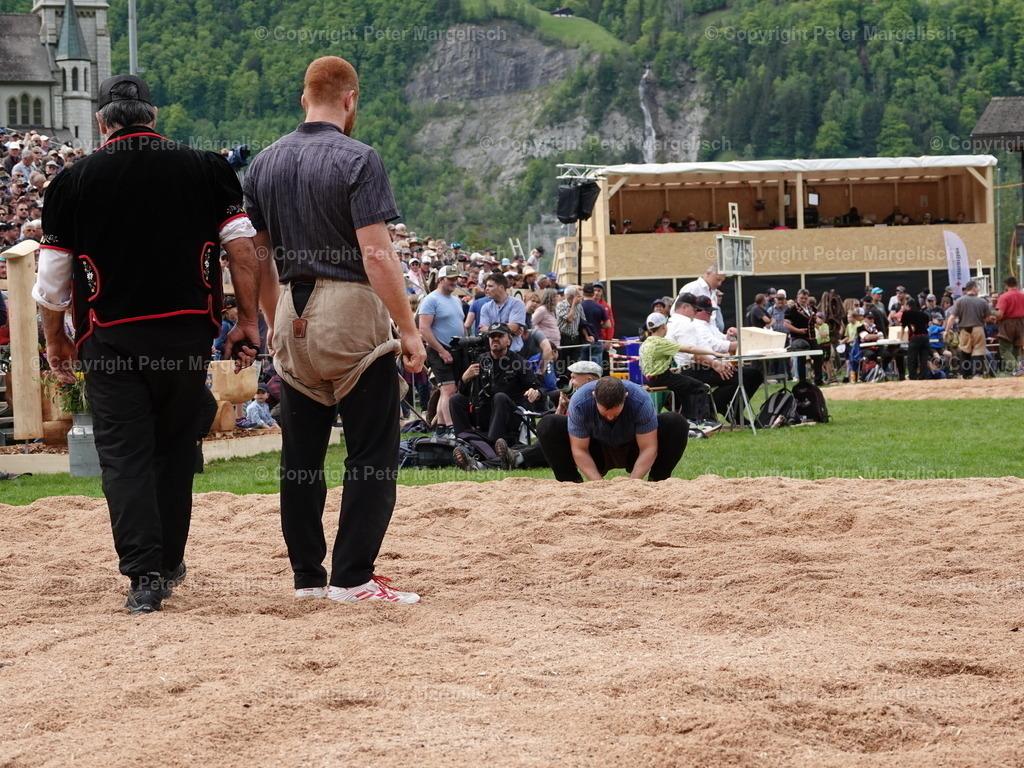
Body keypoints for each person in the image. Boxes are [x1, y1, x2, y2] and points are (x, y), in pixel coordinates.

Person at [33, 74, 260, 615]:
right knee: (175, 446)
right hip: (184, 334)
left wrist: (56, 347)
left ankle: (143, 577)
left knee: (124, 454)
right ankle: (168, 561)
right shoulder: (207, 167)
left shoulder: (73, 181)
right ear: (153, 118)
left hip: (108, 338)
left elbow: (51, 281)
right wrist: (248, 320)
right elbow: (244, 252)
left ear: (101, 121)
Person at [244, 56, 426, 605]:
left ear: (305, 98)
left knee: (300, 456)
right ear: (350, 100)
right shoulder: (358, 159)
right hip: (348, 310)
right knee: (370, 450)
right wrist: (408, 328)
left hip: (288, 312)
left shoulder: (263, 163)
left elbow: (260, 255)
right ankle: (353, 578)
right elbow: (376, 254)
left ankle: (307, 578)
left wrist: (273, 319)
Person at [537, 376, 688, 482]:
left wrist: (633, 484)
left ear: (626, 396)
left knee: (676, 422)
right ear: (594, 396)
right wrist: (598, 484)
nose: (610, 417)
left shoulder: (640, 400)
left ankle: (657, 482)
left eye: (615, 413)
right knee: (548, 424)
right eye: (605, 413)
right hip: (596, 449)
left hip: (631, 447)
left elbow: (648, 447)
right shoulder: (580, 402)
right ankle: (572, 485)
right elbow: (579, 449)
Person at [448, 322, 542, 450]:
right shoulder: (480, 360)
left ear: (509, 340)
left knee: (500, 397)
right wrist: (464, 379)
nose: (495, 339)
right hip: (484, 412)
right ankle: (463, 442)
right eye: (492, 336)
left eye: (499, 336)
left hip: (509, 416)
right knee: (455, 400)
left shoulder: (519, 362)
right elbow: (464, 393)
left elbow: (538, 388)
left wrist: (535, 392)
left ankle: (492, 446)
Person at [638, 311, 722, 431]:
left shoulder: (645, 343)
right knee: (699, 386)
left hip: (651, 379)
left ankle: (689, 419)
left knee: (685, 388)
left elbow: (647, 364)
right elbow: (690, 349)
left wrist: (668, 368)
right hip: (662, 377)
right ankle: (704, 421)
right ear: (663, 326)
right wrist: (713, 352)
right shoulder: (661, 342)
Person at [417, 265, 465, 437]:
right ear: (440, 280)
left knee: (448, 390)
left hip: (456, 349)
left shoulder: (456, 300)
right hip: (440, 350)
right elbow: (424, 329)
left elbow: (461, 325)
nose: (454, 282)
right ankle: (452, 427)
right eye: (450, 278)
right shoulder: (431, 300)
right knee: (448, 390)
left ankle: (441, 427)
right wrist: (441, 351)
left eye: (455, 278)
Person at [944, 280, 993, 379]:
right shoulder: (982, 301)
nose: (978, 290)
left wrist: (947, 330)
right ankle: (977, 374)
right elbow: (988, 318)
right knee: (978, 351)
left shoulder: (959, 301)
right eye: (977, 288)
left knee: (965, 351)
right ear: (974, 288)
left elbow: (952, 317)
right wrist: (981, 319)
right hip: (978, 328)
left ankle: (966, 374)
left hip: (964, 330)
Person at [995, 275, 1024, 373]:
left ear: (1006, 285)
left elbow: (999, 314)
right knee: (1017, 347)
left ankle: (1016, 368)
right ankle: (1016, 370)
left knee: (1004, 348)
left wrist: (996, 320)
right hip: (1021, 322)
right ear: (1016, 284)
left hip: (1008, 323)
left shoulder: (1004, 296)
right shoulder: (1022, 295)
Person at [900, 297, 932, 380]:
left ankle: (912, 376)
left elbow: (903, 327)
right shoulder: (924, 314)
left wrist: (900, 339)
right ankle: (922, 376)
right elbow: (926, 326)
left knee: (912, 358)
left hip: (915, 337)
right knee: (923, 359)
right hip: (925, 337)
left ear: (908, 306)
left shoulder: (906, 313)